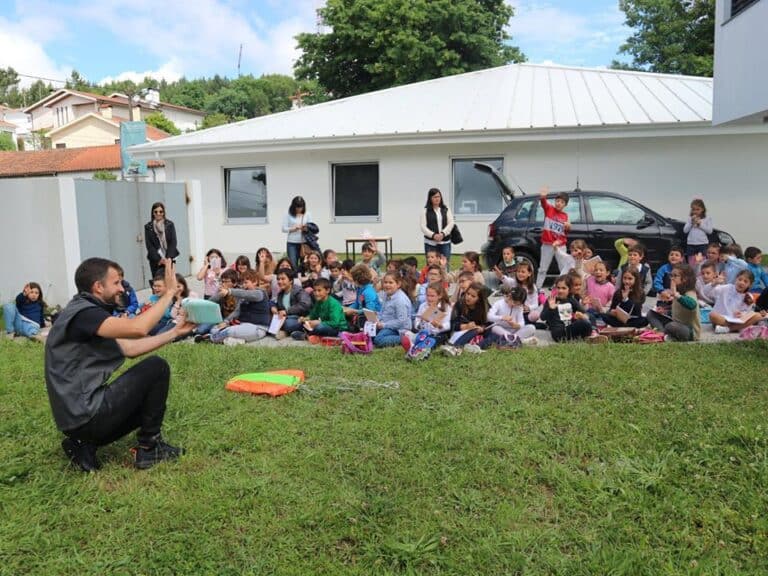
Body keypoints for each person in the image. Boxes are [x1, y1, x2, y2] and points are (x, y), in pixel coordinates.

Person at [44, 258, 192, 472]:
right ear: (98, 286)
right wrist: (169, 293)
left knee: (147, 394)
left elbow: (129, 348)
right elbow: (138, 328)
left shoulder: (84, 312)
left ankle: (83, 444)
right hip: (86, 415)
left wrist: (175, 332)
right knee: (156, 367)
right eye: (116, 283)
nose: (122, 289)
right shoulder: (85, 315)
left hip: (75, 421)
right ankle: (150, 448)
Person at [209, 269, 271, 345]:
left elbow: (246, 294)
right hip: (242, 325)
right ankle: (231, 341)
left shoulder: (259, 293)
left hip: (258, 328)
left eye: (246, 282)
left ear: (255, 282)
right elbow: (237, 311)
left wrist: (229, 291)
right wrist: (226, 322)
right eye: (242, 283)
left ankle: (209, 338)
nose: (244, 285)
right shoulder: (243, 297)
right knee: (215, 329)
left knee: (229, 331)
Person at [646, 263, 701, 342]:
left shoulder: (690, 293)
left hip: (689, 331)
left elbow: (692, 305)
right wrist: (665, 311)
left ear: (685, 278)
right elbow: (678, 311)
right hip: (676, 323)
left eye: (675, 276)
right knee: (651, 314)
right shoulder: (678, 291)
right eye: (671, 275)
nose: (672, 278)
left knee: (670, 326)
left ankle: (662, 333)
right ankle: (662, 334)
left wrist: (676, 294)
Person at [536, 186, 571, 288]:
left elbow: (564, 235)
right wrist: (543, 197)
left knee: (564, 268)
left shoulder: (565, 216)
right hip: (547, 245)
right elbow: (544, 203)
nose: (559, 203)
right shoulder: (549, 209)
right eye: (557, 201)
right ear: (555, 201)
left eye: (562, 202)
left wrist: (567, 229)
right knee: (543, 269)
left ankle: (563, 288)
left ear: (565, 205)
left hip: (560, 246)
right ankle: (537, 289)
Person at [540, 275, 592, 342]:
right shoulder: (552, 300)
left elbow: (585, 314)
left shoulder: (571, 300)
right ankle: (588, 337)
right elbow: (542, 317)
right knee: (585, 323)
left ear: (569, 289)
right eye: (558, 288)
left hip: (569, 328)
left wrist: (582, 316)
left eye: (564, 288)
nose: (560, 290)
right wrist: (550, 308)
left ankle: (588, 337)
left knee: (588, 319)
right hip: (558, 333)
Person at [372, 272, 413, 348]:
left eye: (391, 283)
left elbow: (401, 321)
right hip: (386, 324)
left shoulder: (400, 300)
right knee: (369, 333)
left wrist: (384, 325)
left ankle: (408, 338)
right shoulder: (386, 295)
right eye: (385, 282)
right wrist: (376, 316)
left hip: (398, 329)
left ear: (398, 284)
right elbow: (384, 312)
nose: (387, 285)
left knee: (378, 340)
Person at [271, 269, 312, 340]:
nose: (279, 281)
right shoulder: (280, 294)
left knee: (288, 324)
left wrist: (287, 311)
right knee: (269, 320)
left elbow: (305, 304)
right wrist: (273, 307)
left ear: (290, 281)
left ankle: (286, 332)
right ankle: (287, 332)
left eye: (283, 279)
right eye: (278, 279)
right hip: (286, 318)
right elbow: (274, 303)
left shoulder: (299, 291)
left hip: (300, 318)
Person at [144, 202, 179, 284]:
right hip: (156, 260)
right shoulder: (148, 227)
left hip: (169, 258)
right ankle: (158, 297)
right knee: (157, 281)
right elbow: (149, 245)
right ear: (152, 213)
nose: (158, 213)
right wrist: (159, 259)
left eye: (161, 211)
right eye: (156, 211)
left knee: (170, 281)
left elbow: (173, 242)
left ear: (163, 213)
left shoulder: (169, 224)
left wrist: (168, 258)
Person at [420, 188, 455, 260]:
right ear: (430, 198)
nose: (437, 199)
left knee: (444, 264)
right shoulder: (425, 211)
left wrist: (443, 234)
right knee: (431, 265)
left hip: (445, 242)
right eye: (434, 197)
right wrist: (433, 235)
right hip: (430, 243)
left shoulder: (446, 209)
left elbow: (451, 223)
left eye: (438, 196)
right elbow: (423, 227)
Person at [282, 196, 311, 269]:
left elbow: (312, 227)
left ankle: (303, 279)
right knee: (293, 264)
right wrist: (293, 228)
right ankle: (294, 279)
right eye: (297, 207)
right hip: (292, 243)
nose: (299, 209)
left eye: (301, 207)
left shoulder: (307, 214)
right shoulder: (287, 214)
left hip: (304, 243)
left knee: (304, 264)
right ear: (293, 206)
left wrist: (305, 228)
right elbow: (283, 228)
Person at [684, 198, 713, 267]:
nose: (695, 211)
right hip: (691, 244)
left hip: (702, 244)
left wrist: (700, 224)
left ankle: (702, 276)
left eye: (698, 209)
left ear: (702, 209)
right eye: (693, 209)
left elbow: (709, 231)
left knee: (702, 262)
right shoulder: (690, 219)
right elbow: (685, 230)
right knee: (692, 263)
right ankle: (693, 275)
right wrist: (691, 222)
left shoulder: (707, 219)